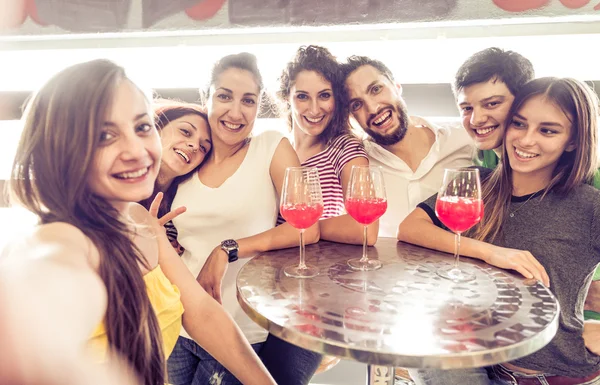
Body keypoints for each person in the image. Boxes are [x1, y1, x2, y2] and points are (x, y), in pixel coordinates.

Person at [0, 59, 276, 385]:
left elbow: (201, 311)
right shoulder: (64, 238)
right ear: (60, 148)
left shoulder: (139, 219)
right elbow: (37, 288)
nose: (136, 150)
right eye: (105, 135)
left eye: (142, 127)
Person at [399, 77, 600, 384]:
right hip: (476, 363)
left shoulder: (588, 205)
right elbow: (411, 228)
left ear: (573, 140)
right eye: (519, 124)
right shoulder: (474, 182)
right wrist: (492, 253)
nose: (526, 140)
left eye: (547, 130)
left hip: (550, 374)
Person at [167, 52, 322, 385]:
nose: (235, 112)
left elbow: (306, 228)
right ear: (205, 96)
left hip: (238, 330)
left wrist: (228, 248)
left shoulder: (270, 147)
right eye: (224, 96)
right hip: (178, 326)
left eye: (248, 101)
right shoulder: (188, 158)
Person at [455, 47, 600, 319]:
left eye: (492, 104)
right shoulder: (483, 162)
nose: (477, 119)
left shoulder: (589, 185)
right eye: (467, 107)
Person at [341, 55, 474, 237]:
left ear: (397, 87)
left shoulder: (464, 139)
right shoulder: (354, 166)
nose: (372, 108)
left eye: (376, 89)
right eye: (356, 104)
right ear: (351, 117)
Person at [277, 45, 376, 245]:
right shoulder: (277, 150)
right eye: (302, 96)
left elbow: (365, 228)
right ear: (287, 97)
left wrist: (301, 228)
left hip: (316, 268)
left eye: (324, 95)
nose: (314, 109)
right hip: (270, 266)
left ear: (336, 100)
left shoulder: (345, 148)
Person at [139, 101, 212, 253]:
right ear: (157, 127)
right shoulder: (116, 185)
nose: (195, 146)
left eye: (204, 147)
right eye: (186, 131)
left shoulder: (183, 210)